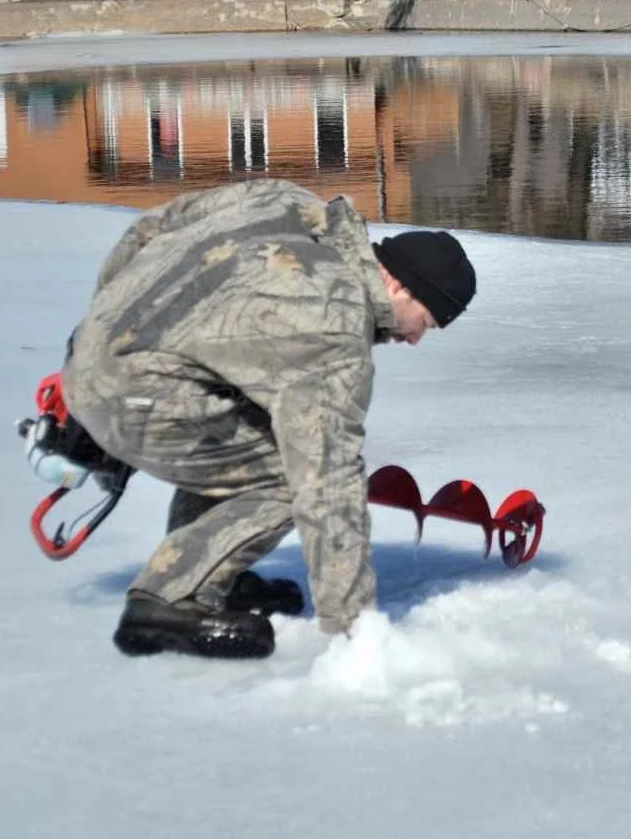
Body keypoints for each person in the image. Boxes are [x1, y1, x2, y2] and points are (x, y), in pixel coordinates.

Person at [62, 179, 477, 661]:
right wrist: (357, 634)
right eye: (424, 322)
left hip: (91, 353)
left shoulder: (287, 204)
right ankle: (170, 598)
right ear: (397, 285)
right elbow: (326, 483)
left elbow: (149, 230)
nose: (416, 340)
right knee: (289, 468)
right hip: (136, 394)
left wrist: (100, 340)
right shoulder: (332, 324)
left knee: (253, 425)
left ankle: (215, 575)